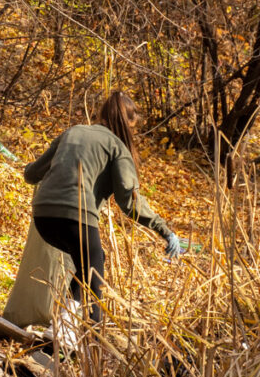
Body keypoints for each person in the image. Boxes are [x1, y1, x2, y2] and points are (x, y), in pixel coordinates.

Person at [23, 91, 181, 330]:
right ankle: (92, 338)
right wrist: (165, 231)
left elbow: (32, 174)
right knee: (94, 275)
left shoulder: (73, 132)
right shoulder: (117, 147)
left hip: (43, 217)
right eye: (133, 127)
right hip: (75, 217)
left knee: (88, 266)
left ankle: (63, 331)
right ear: (127, 123)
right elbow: (130, 201)